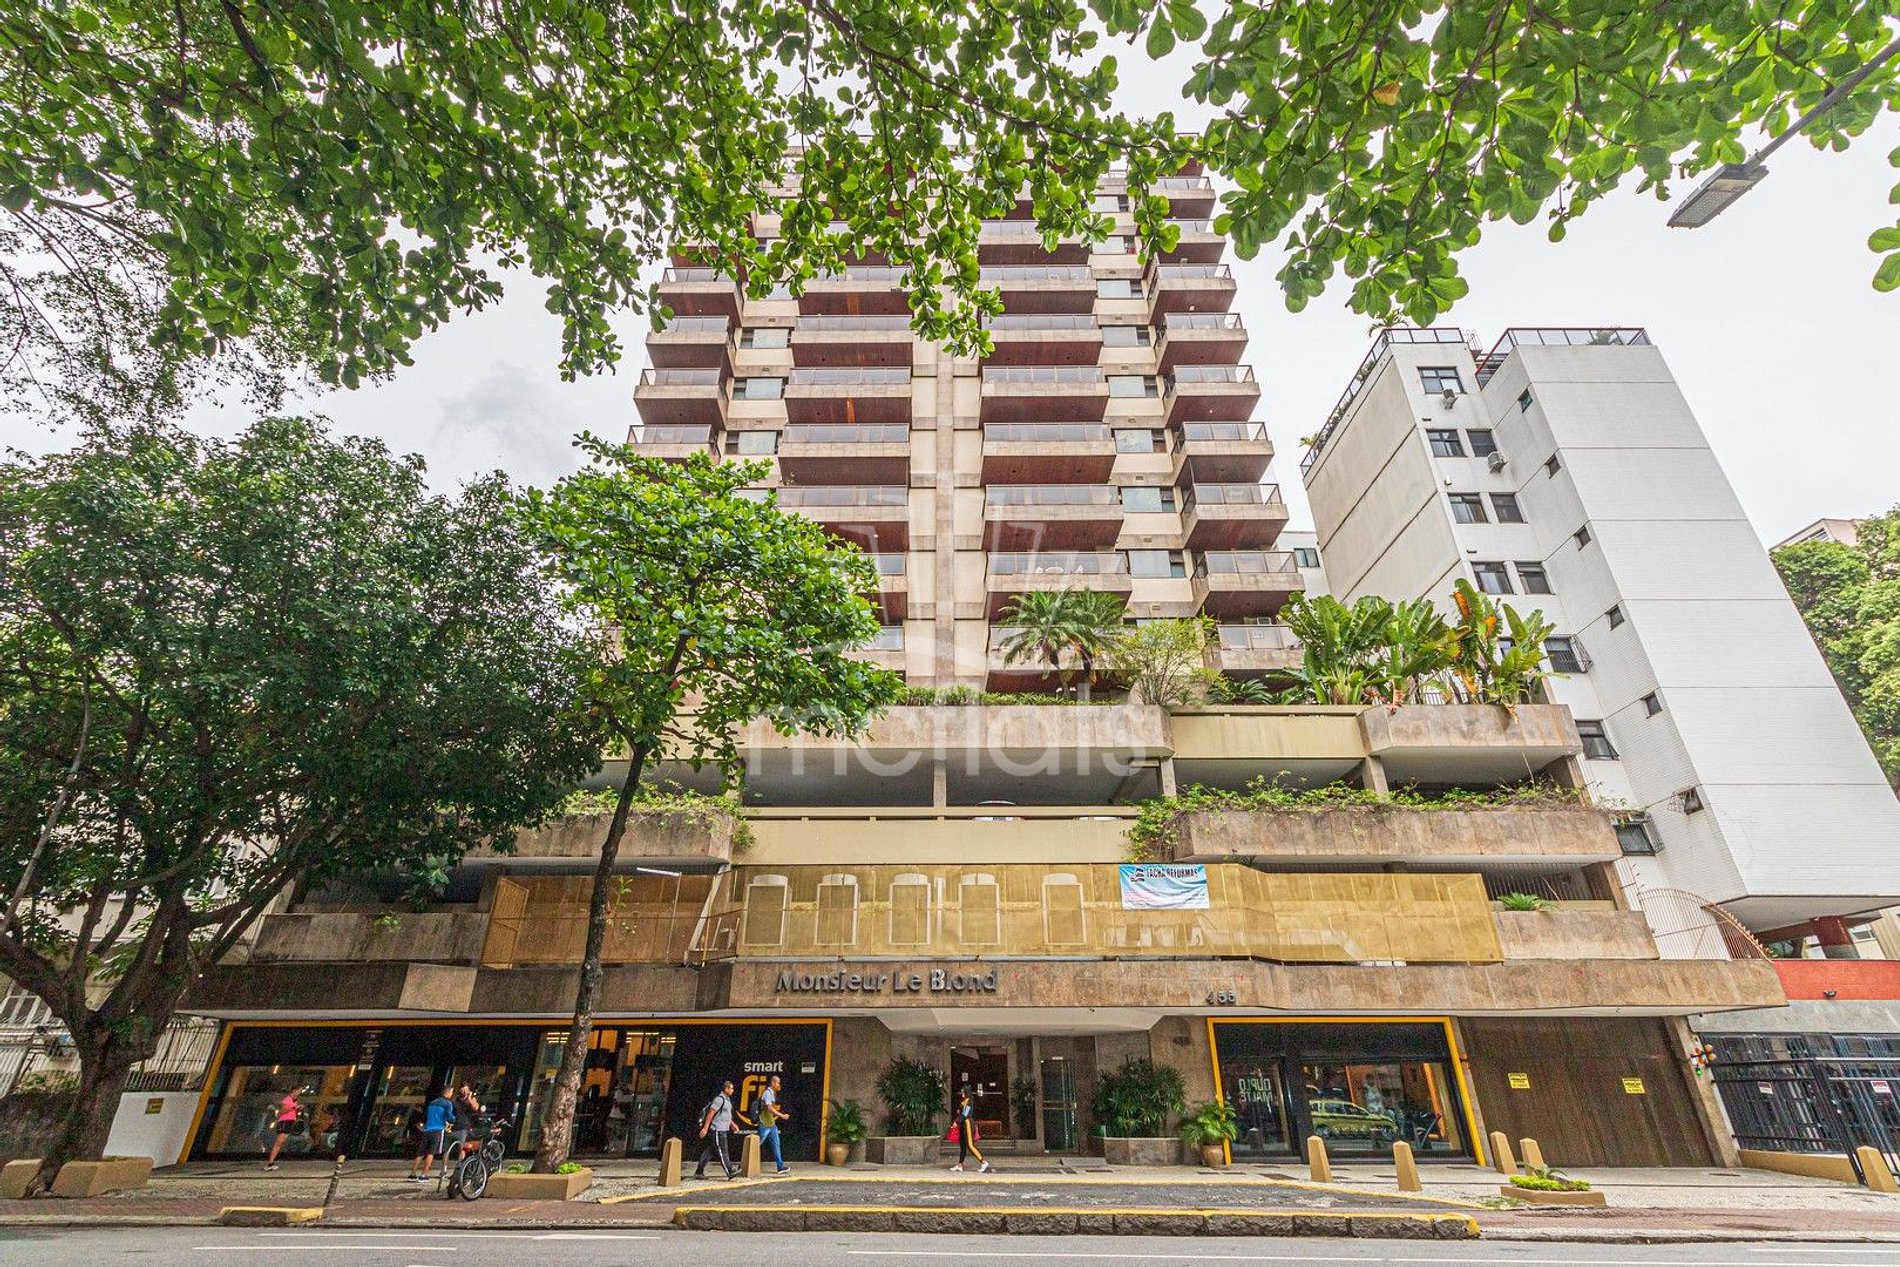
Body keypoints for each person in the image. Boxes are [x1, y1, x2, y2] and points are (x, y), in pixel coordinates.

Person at [693, 1079, 740, 1180]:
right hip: (717, 1130)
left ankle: (699, 1172)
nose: (733, 1090)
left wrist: (732, 1124)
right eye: (731, 1088)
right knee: (722, 1151)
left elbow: (726, 1115)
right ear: (726, 1089)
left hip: (723, 1129)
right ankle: (730, 1171)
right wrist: (705, 1129)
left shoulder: (727, 1100)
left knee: (710, 1151)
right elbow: (710, 1114)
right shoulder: (719, 1100)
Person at [409, 1085, 456, 1183]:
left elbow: (426, 1115)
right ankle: (424, 1175)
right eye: (451, 1092)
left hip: (428, 1129)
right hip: (438, 1130)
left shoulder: (432, 1102)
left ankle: (412, 1174)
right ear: (447, 1092)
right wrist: (454, 1119)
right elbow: (450, 1117)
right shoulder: (447, 1103)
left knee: (421, 1153)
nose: (452, 1094)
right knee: (431, 1153)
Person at [753, 1073, 790, 1175]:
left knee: (776, 1145)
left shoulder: (772, 1093)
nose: (779, 1085)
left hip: (771, 1124)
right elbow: (769, 1108)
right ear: (773, 1082)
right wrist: (781, 1116)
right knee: (755, 1145)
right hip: (764, 1124)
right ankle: (744, 1165)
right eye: (777, 1083)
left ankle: (780, 1167)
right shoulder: (767, 1093)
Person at [264, 1085, 305, 1170]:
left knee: (282, 1141)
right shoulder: (287, 1099)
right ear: (294, 1090)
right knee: (278, 1142)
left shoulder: (295, 1100)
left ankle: (272, 1161)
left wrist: (297, 1109)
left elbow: (292, 1110)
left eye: (300, 1091)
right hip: (284, 1121)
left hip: (290, 1121)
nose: (299, 1093)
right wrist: (294, 1107)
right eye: (298, 1091)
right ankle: (270, 1163)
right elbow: (283, 1110)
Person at [950, 1087, 990, 1173]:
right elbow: (961, 1114)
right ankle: (960, 1165)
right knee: (963, 1145)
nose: (962, 1093)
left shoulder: (969, 1102)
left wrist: (956, 1122)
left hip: (967, 1124)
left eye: (963, 1092)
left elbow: (965, 1114)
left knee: (970, 1145)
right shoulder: (965, 1101)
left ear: (966, 1092)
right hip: (963, 1125)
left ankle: (983, 1162)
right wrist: (957, 1121)